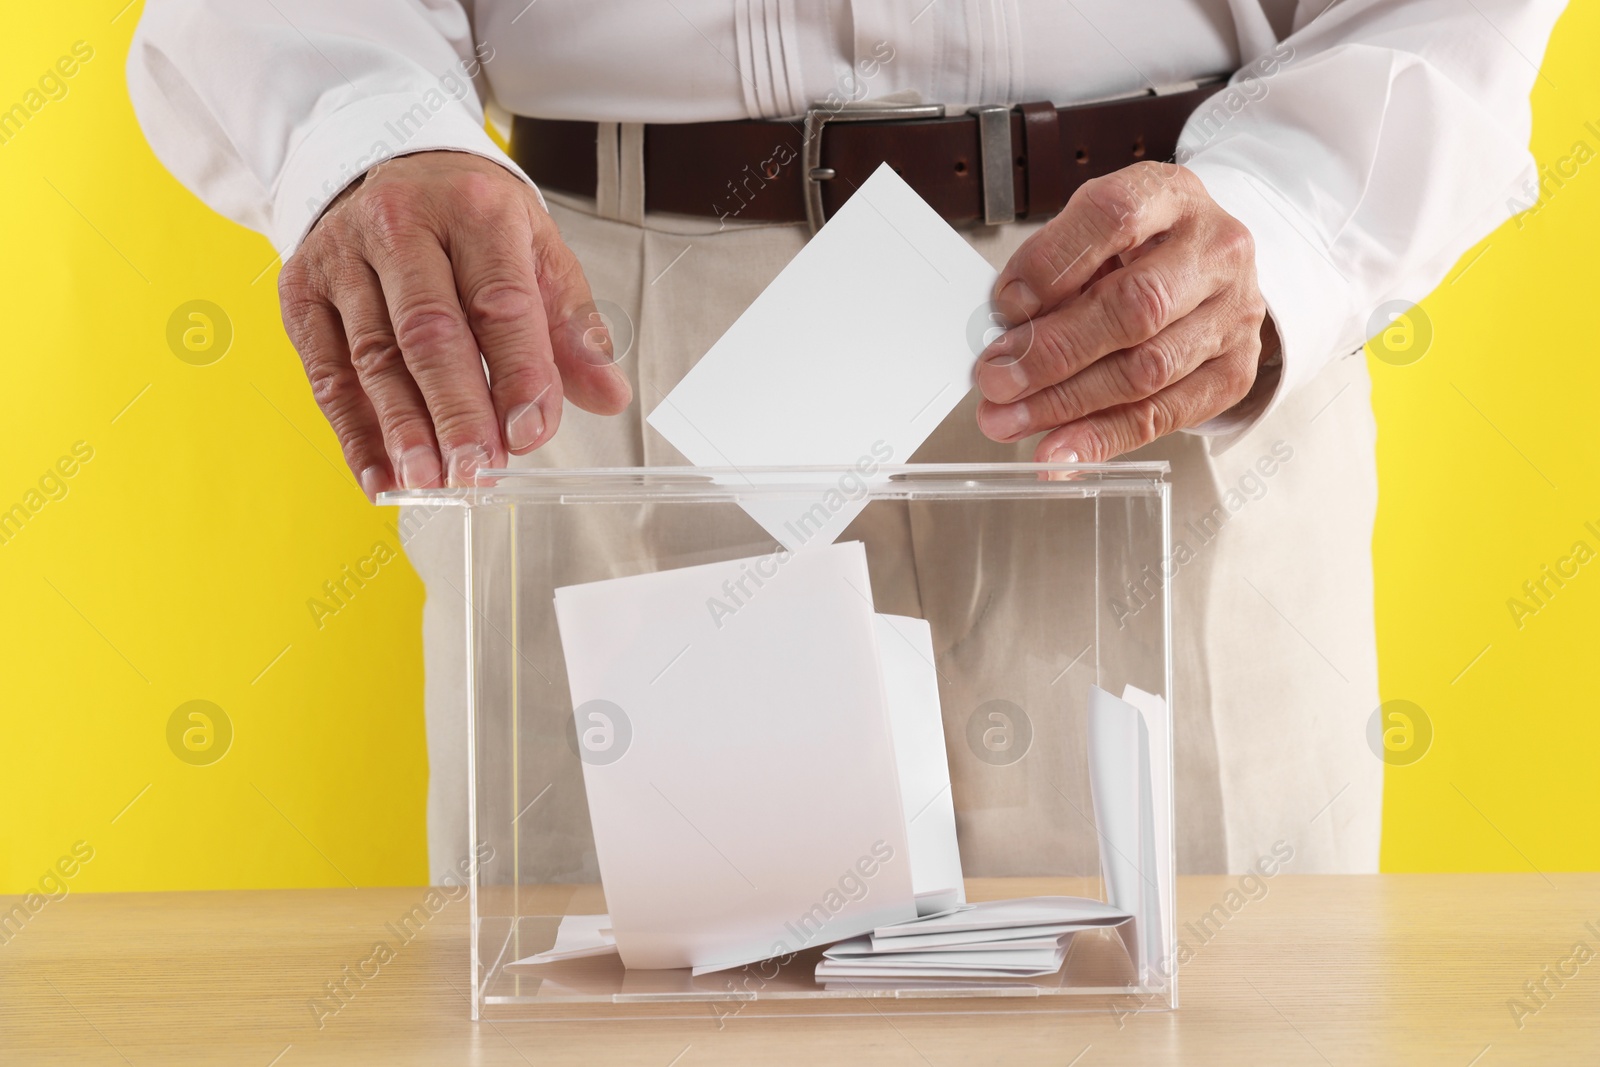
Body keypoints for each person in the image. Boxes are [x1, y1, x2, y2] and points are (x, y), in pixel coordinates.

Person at [128, 0, 1565, 884]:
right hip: (608, 329)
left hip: (1164, 304)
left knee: (1226, 1023)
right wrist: (365, 131)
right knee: (607, 1021)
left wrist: (1297, 220)